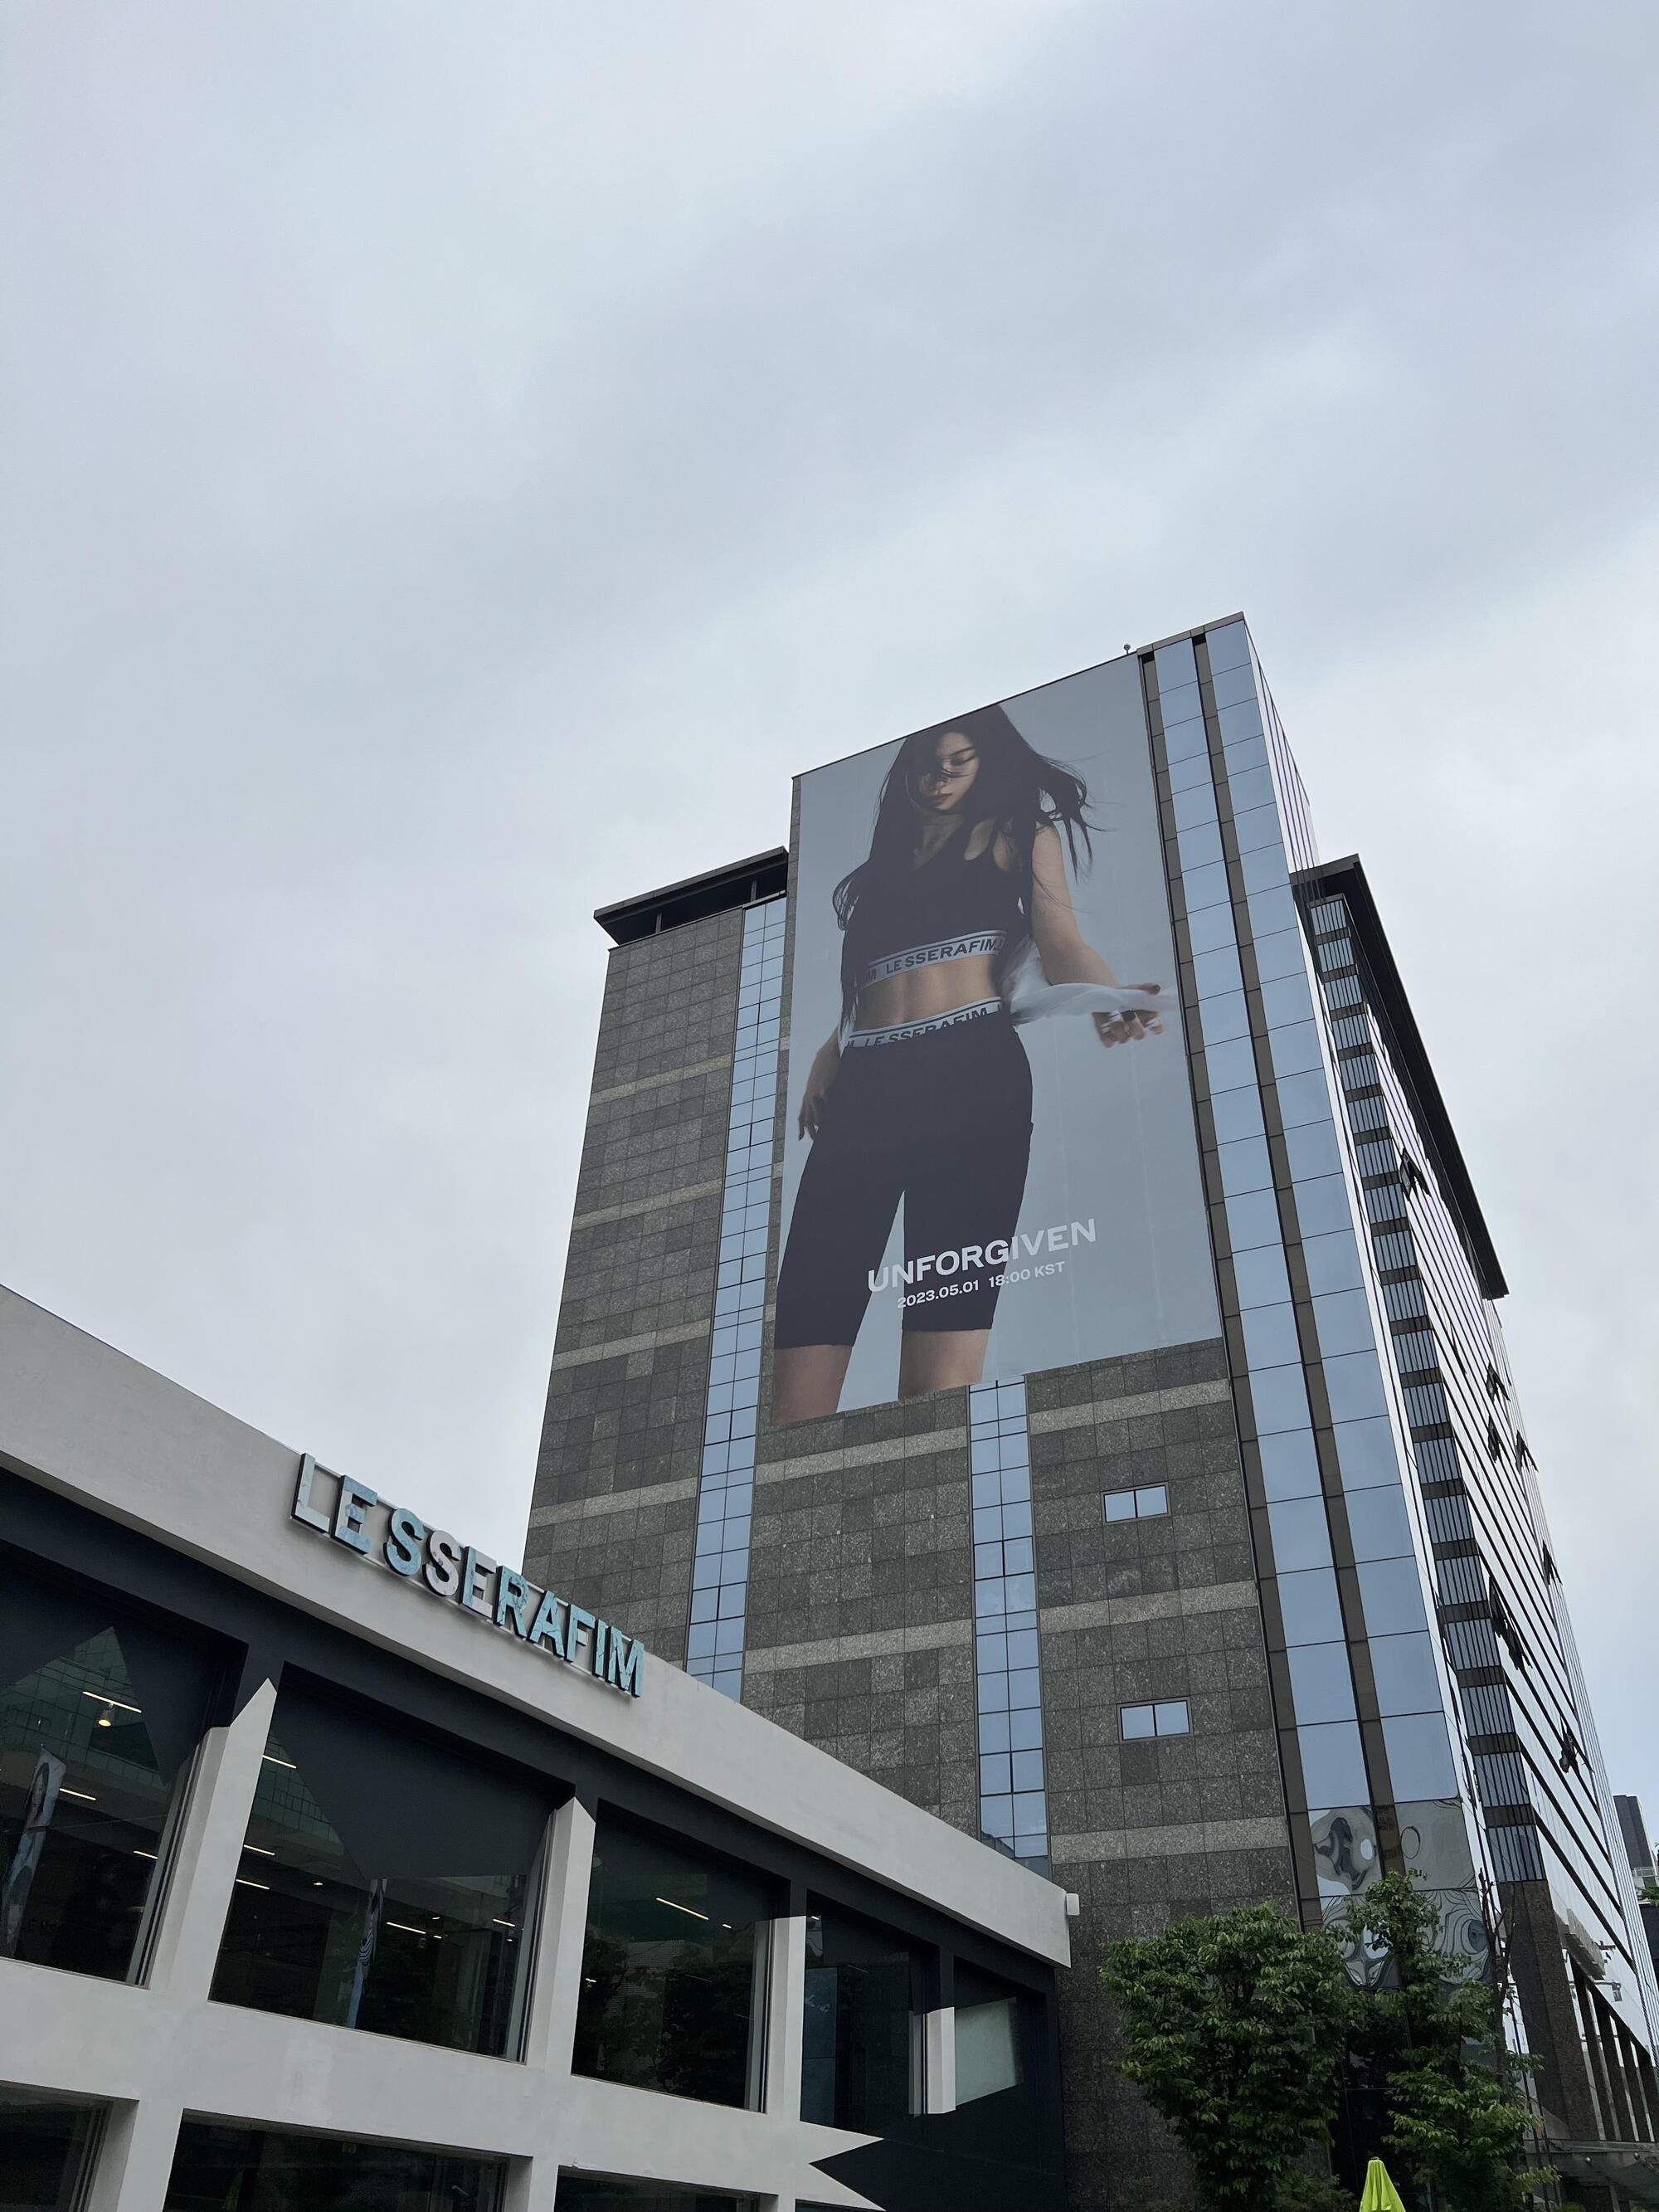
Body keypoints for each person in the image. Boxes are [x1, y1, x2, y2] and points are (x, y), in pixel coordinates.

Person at [771, 704, 1163, 1422]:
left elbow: (1061, 941)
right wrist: (830, 1054)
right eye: (929, 765)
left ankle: (930, 1487)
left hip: (972, 1077)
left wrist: (1108, 997)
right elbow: (869, 985)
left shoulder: (1016, 834)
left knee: (941, 1371)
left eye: (959, 762)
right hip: (865, 1087)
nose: (940, 777)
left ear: (984, 765)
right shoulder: (880, 869)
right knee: (805, 1343)